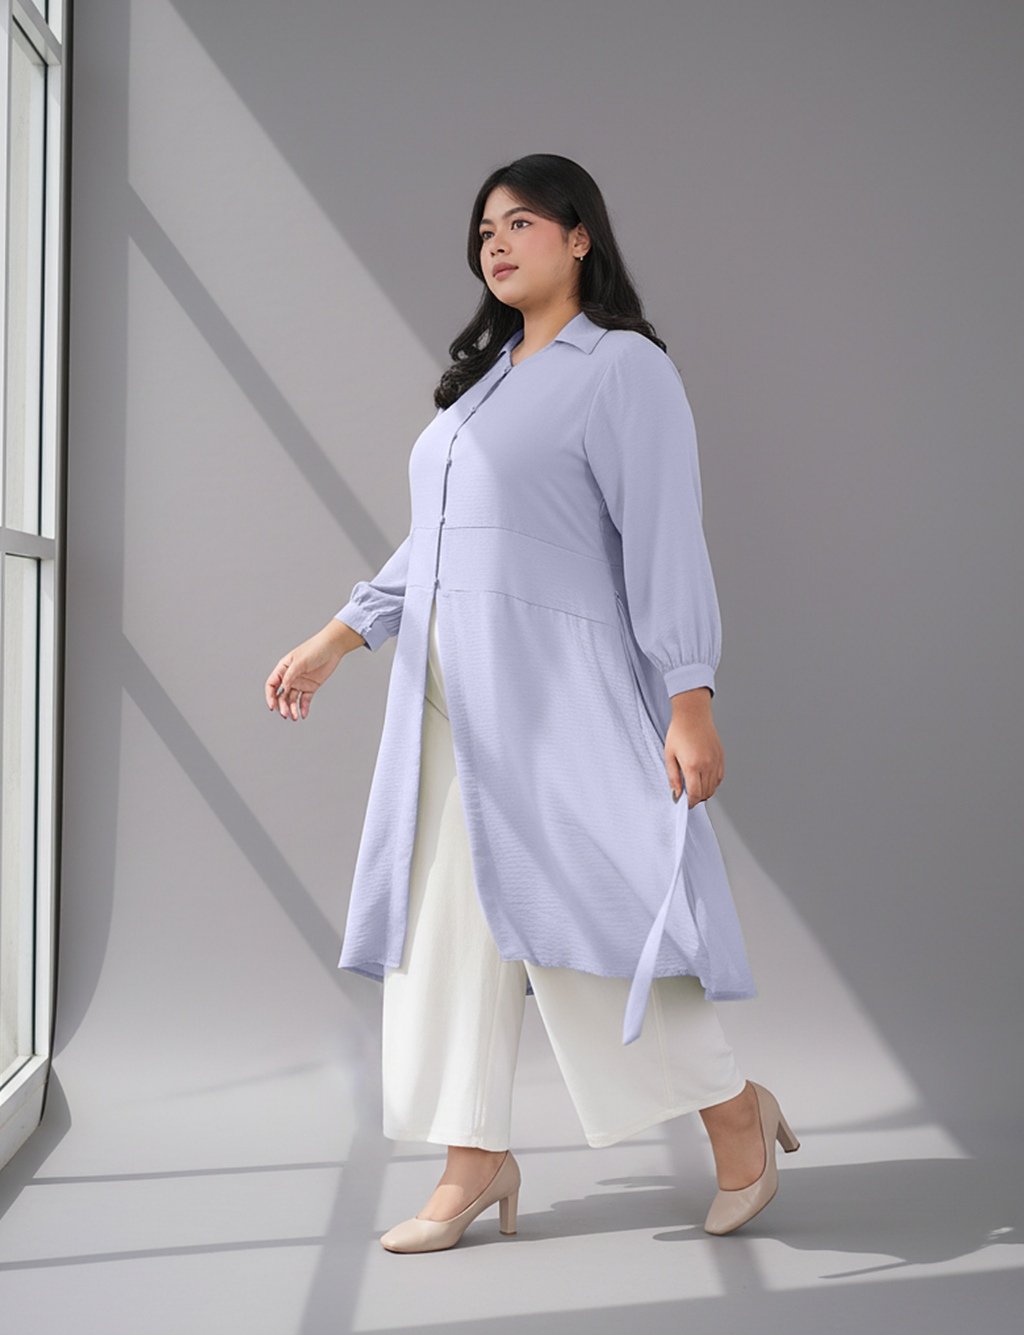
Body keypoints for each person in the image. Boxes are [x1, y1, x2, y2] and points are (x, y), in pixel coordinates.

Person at [264, 154, 799, 1251]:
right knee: (444, 926)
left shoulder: (624, 370)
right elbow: (440, 540)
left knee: (586, 917)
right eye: (483, 232)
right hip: (445, 697)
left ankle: (733, 1109)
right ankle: (472, 1158)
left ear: (579, 236)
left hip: (556, 696)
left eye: (518, 224)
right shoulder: (486, 384)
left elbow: (665, 536)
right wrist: (341, 634)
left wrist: (689, 693)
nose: (494, 245)